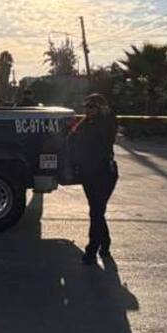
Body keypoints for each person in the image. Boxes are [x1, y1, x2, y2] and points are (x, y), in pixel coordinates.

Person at [68, 93, 118, 265]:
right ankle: (105, 243)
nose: (87, 110)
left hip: (104, 174)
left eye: (92, 107)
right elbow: (71, 141)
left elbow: (108, 132)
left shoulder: (106, 124)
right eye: (86, 107)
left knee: (96, 212)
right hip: (88, 174)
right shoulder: (84, 124)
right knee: (96, 212)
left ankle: (92, 249)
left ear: (101, 108)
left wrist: (105, 111)